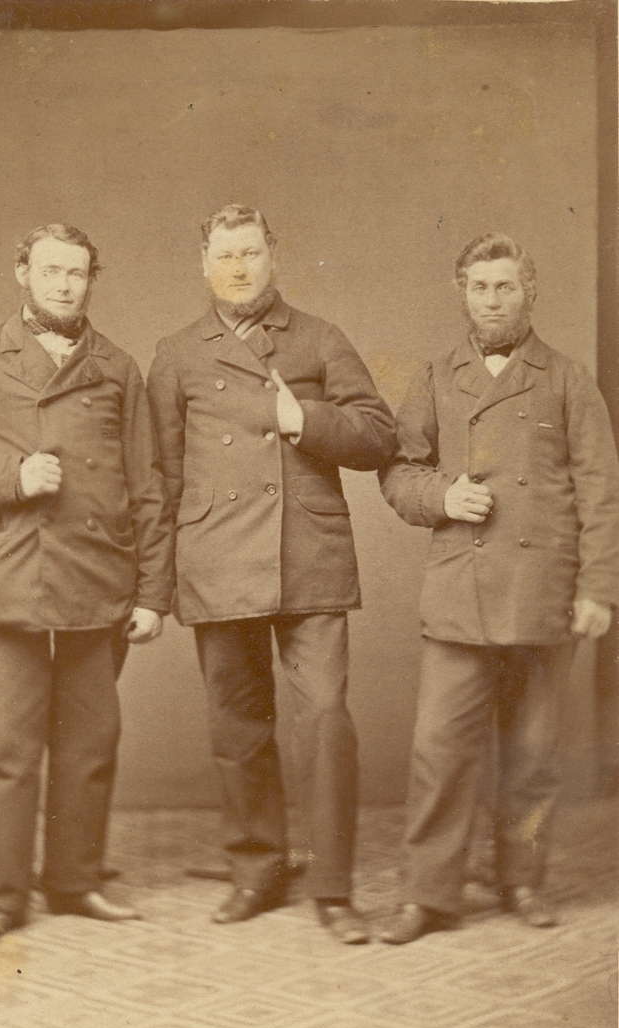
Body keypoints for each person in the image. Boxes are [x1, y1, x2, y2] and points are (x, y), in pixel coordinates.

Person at [146, 204, 397, 943]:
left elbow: (379, 436)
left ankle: (332, 886)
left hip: (307, 558)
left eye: (250, 252)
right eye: (225, 255)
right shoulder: (176, 353)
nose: (239, 267)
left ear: (273, 256)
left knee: (325, 720)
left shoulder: (320, 337)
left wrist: (306, 421)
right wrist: (155, 587)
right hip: (216, 557)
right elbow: (160, 476)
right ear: (204, 264)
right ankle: (256, 869)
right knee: (237, 726)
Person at [0, 224, 174, 947]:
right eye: (50, 271)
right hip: (9, 582)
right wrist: (11, 477)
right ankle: (1, 899)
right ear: (22, 273)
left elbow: (147, 486)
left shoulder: (118, 367)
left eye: (76, 273)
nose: (64, 285)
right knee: (6, 749)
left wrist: (153, 593)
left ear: (92, 279)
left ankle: (74, 881)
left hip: (97, 580)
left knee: (89, 743)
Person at [378, 232, 619, 943]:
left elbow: (600, 490)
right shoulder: (435, 375)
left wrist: (598, 588)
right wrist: (442, 497)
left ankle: (522, 879)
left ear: (528, 293)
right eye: (479, 287)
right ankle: (427, 894)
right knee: (438, 753)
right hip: (462, 592)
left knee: (533, 755)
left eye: (505, 287)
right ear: (462, 293)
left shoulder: (567, 378)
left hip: (543, 593)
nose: (491, 301)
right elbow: (398, 471)